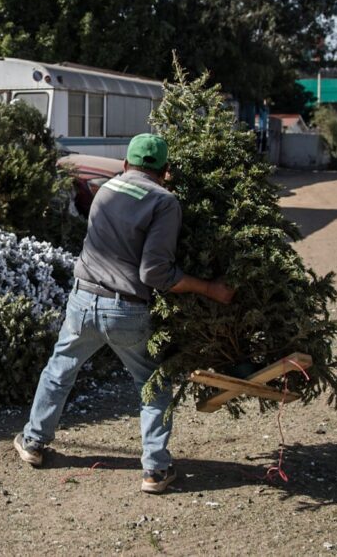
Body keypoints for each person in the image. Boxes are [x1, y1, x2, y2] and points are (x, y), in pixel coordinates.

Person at [13, 133, 234, 494]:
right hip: (127, 310)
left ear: (127, 164)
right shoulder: (165, 202)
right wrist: (210, 288)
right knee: (153, 384)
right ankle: (155, 470)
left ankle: (34, 442)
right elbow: (154, 274)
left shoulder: (106, 190)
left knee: (59, 370)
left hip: (82, 300)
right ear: (165, 171)